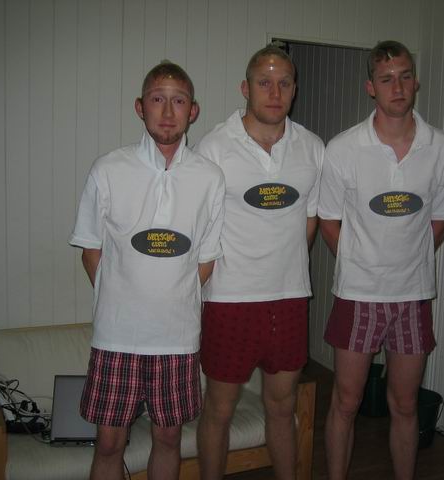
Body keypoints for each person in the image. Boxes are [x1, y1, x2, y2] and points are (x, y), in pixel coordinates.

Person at [69, 61, 225, 480]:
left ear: (193, 110)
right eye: (158, 99)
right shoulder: (108, 169)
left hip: (177, 339)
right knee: (109, 443)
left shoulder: (210, 178)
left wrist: (170, 298)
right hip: (116, 338)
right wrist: (121, 298)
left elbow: (206, 259)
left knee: (168, 439)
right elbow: (90, 250)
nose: (168, 111)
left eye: (179, 101)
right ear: (140, 107)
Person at [319, 40, 444, 480]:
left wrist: (407, 259)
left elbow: (441, 220)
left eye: (404, 76)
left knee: (405, 403)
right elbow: (328, 221)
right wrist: (364, 261)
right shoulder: (343, 148)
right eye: (386, 79)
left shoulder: (443, 149)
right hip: (357, 294)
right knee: (346, 401)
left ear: (416, 82)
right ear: (371, 87)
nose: (397, 87)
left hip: (413, 296)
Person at [195, 45, 324, 480]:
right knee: (219, 410)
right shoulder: (214, 147)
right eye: (264, 82)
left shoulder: (312, 147)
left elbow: (310, 220)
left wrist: (282, 264)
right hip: (229, 301)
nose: (275, 92)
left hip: (289, 300)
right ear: (245, 88)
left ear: (294, 89)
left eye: (284, 83)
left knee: (282, 407)